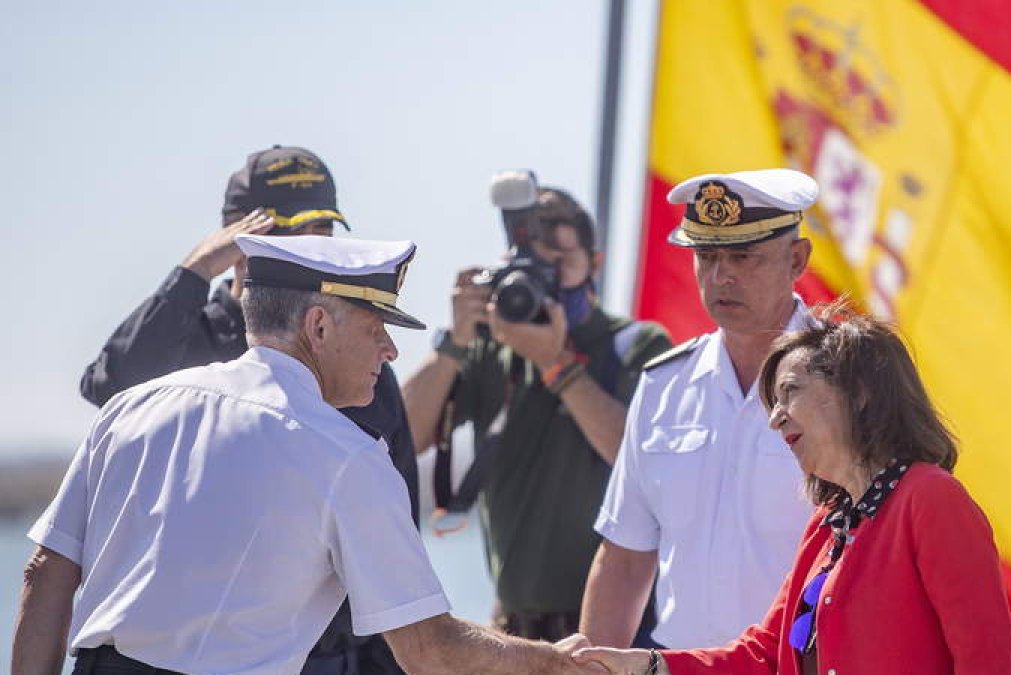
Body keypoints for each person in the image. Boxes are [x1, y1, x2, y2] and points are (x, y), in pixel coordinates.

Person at [14, 234, 602, 675]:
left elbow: (45, 574)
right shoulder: (344, 456)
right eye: (377, 326)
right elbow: (428, 648)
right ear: (318, 326)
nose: (391, 349)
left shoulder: (132, 409)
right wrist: (554, 662)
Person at [76, 146, 419, 673]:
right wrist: (194, 271)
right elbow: (112, 386)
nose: (311, 248)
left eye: (323, 232)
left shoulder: (359, 365)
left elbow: (396, 539)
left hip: (331, 659)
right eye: (289, 233)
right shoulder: (191, 339)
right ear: (238, 239)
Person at [572, 302, 1011, 674]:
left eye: (790, 392)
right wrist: (648, 665)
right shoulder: (827, 523)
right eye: (773, 403)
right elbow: (764, 654)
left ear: (860, 392)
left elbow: (986, 661)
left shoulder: (929, 498)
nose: (775, 417)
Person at [401, 180, 672, 642]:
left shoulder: (637, 345)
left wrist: (555, 364)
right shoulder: (495, 348)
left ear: (595, 263)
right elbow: (403, 436)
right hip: (512, 633)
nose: (544, 275)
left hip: (616, 636)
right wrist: (454, 344)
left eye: (559, 261)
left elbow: (642, 460)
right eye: (532, 262)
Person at [580, 169, 819, 650]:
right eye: (706, 256)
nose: (720, 276)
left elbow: (887, 553)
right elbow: (625, 558)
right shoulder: (662, 386)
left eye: (743, 256)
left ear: (797, 259)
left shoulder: (852, 384)